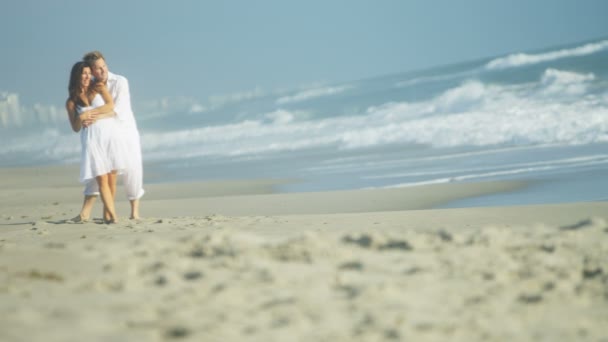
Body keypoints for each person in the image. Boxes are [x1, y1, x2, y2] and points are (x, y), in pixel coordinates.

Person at [75, 51, 145, 221]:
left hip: (126, 130)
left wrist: (93, 116)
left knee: (133, 168)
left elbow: (117, 109)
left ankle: (134, 212)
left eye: (104, 66)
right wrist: (87, 117)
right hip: (105, 133)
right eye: (98, 69)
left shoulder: (120, 81)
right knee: (99, 169)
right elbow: (82, 106)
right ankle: (88, 212)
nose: (103, 70)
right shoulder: (90, 86)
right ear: (91, 71)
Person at [66, 61, 126, 223]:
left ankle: (107, 214)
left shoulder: (98, 87)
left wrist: (93, 112)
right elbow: (75, 127)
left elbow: (110, 106)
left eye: (88, 73)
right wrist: (81, 117)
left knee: (111, 178)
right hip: (92, 140)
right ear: (76, 76)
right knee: (102, 178)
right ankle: (113, 217)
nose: (87, 76)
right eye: (83, 73)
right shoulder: (71, 102)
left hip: (109, 136)